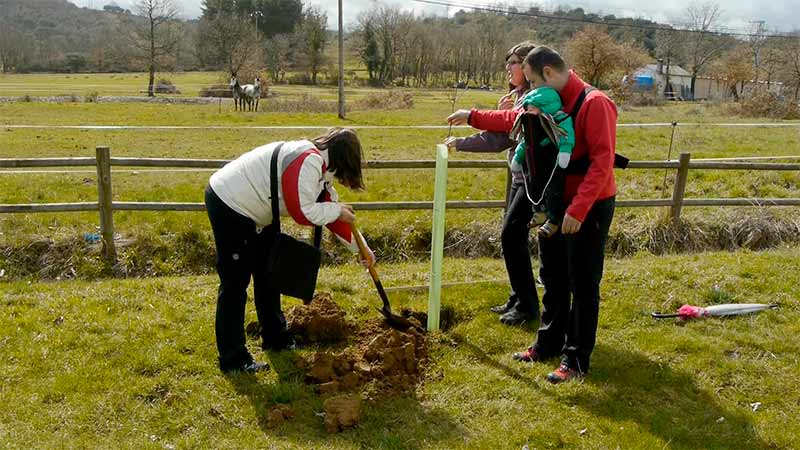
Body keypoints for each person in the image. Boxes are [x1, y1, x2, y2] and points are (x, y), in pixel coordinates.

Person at [448, 46, 617, 383]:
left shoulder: (595, 103)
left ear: (550, 74)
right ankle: (548, 344)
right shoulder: (544, 97)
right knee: (552, 276)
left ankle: (576, 360)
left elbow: (602, 162)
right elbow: (515, 117)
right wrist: (472, 115)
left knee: (582, 283)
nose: (530, 90)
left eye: (534, 82)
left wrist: (579, 210)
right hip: (553, 206)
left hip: (589, 206)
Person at [205, 128, 376, 373]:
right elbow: (303, 212)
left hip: (261, 208)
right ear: (341, 160)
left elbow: (330, 212)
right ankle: (233, 359)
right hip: (231, 203)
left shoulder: (320, 169)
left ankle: (276, 339)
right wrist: (337, 211)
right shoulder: (307, 162)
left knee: (269, 274)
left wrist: (362, 250)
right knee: (235, 283)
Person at [445, 41, 541, 326]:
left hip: (531, 179)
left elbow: (501, 139)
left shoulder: (533, 99)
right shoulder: (517, 96)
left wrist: (462, 141)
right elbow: (504, 131)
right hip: (519, 176)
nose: (508, 68)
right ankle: (517, 297)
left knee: (511, 235)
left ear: (527, 66)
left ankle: (527, 306)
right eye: (508, 62)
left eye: (513, 62)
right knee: (513, 236)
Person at [509, 69, 575, 239]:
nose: (528, 112)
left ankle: (553, 219)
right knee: (534, 187)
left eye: (531, 108)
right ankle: (538, 212)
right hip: (535, 164)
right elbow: (526, 141)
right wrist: (519, 156)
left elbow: (566, 135)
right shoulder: (533, 123)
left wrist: (565, 151)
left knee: (553, 191)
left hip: (552, 163)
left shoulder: (558, 119)